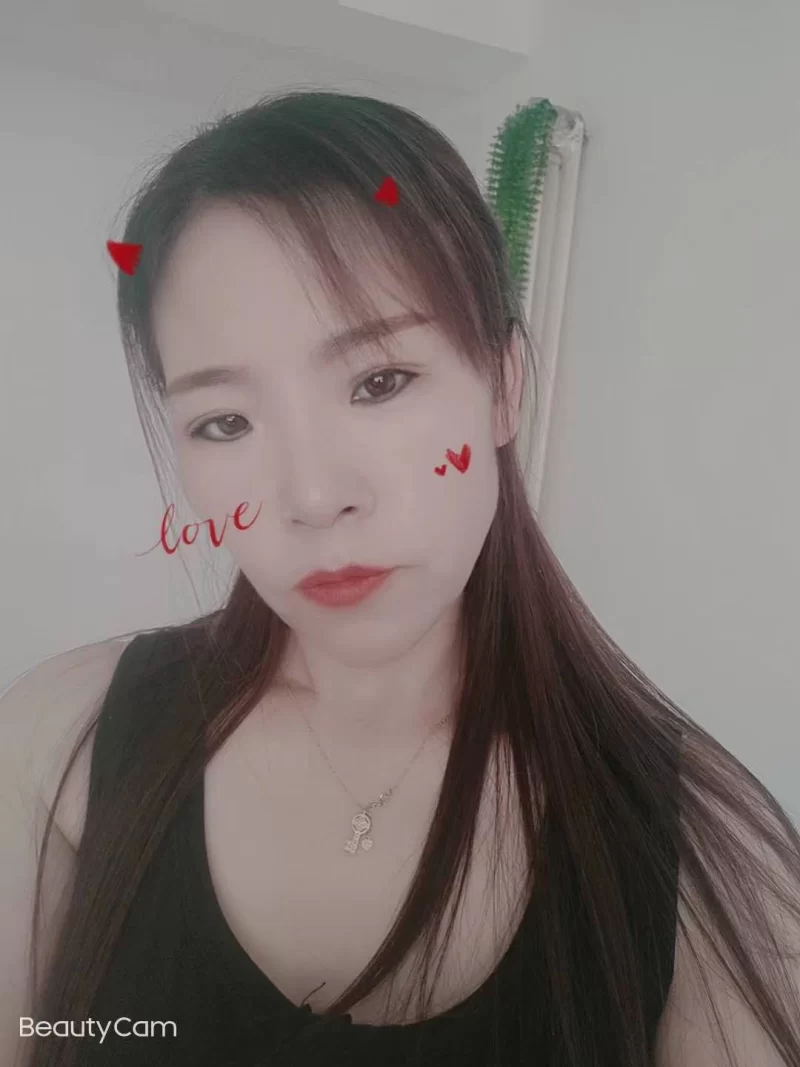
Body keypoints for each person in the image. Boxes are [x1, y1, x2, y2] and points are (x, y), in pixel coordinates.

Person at [2, 88, 799, 1067]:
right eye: (224, 422)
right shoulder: (59, 741)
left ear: (502, 386)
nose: (311, 496)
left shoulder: (704, 853)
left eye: (378, 381)